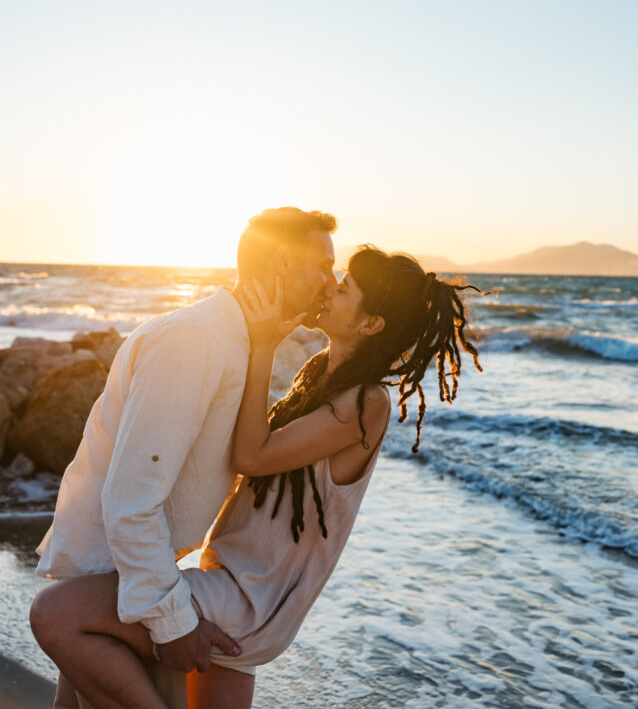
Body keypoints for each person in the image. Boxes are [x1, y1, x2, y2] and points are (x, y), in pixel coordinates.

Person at [31, 245, 485, 709]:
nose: (330, 287)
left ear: (370, 324)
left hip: (250, 598)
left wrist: (264, 345)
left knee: (58, 613)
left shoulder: (368, 402)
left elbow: (252, 453)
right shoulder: (320, 375)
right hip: (232, 579)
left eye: (345, 288)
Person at [33, 207, 338, 709]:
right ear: (283, 261)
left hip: (134, 582)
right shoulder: (197, 342)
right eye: (324, 266)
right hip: (127, 587)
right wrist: (172, 622)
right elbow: (132, 500)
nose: (332, 281)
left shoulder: (236, 341)